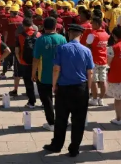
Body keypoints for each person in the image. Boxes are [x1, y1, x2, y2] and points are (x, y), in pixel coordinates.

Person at [42, 23, 94, 157]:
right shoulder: (86, 50)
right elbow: (90, 72)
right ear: (81, 35)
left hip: (64, 88)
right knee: (79, 120)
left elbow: (56, 69)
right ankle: (74, 148)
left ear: (69, 33)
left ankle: (57, 145)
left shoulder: (61, 48)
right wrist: (88, 88)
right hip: (81, 87)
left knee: (61, 118)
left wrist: (54, 85)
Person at [32, 17, 66, 131]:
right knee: (61, 100)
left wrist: (33, 73)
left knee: (47, 101)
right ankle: (62, 121)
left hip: (44, 76)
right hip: (60, 75)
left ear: (43, 26)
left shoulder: (40, 40)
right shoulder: (62, 39)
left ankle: (51, 123)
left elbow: (36, 59)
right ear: (55, 26)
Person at [15, 17, 40, 108]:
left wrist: (19, 60)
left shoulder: (20, 36)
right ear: (32, 24)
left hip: (25, 62)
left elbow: (17, 50)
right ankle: (44, 102)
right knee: (39, 82)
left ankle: (31, 102)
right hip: (37, 62)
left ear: (23, 25)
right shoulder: (39, 34)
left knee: (28, 83)